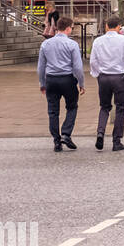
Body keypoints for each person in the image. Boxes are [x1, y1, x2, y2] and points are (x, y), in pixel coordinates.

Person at [37, 15, 84, 152]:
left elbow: (41, 67)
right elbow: (78, 67)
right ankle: (66, 133)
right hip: (67, 79)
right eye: (72, 28)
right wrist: (81, 83)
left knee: (53, 111)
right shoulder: (72, 44)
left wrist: (42, 83)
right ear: (68, 28)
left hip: (51, 79)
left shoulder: (45, 44)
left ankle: (56, 141)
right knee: (72, 107)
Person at [89, 14, 124, 152]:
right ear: (119, 27)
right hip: (119, 77)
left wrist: (97, 74)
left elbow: (93, 61)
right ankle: (116, 141)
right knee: (120, 108)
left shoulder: (98, 41)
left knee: (104, 107)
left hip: (104, 77)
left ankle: (100, 132)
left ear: (106, 26)